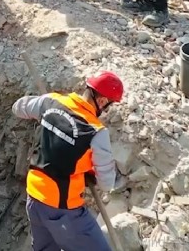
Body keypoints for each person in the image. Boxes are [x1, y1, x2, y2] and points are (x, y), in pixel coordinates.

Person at [12, 71, 122, 251]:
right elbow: (106, 184)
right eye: (108, 106)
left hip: (34, 198)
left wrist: (49, 117)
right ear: (102, 101)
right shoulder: (95, 132)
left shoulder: (51, 101)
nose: (106, 110)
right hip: (62, 210)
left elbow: (18, 107)